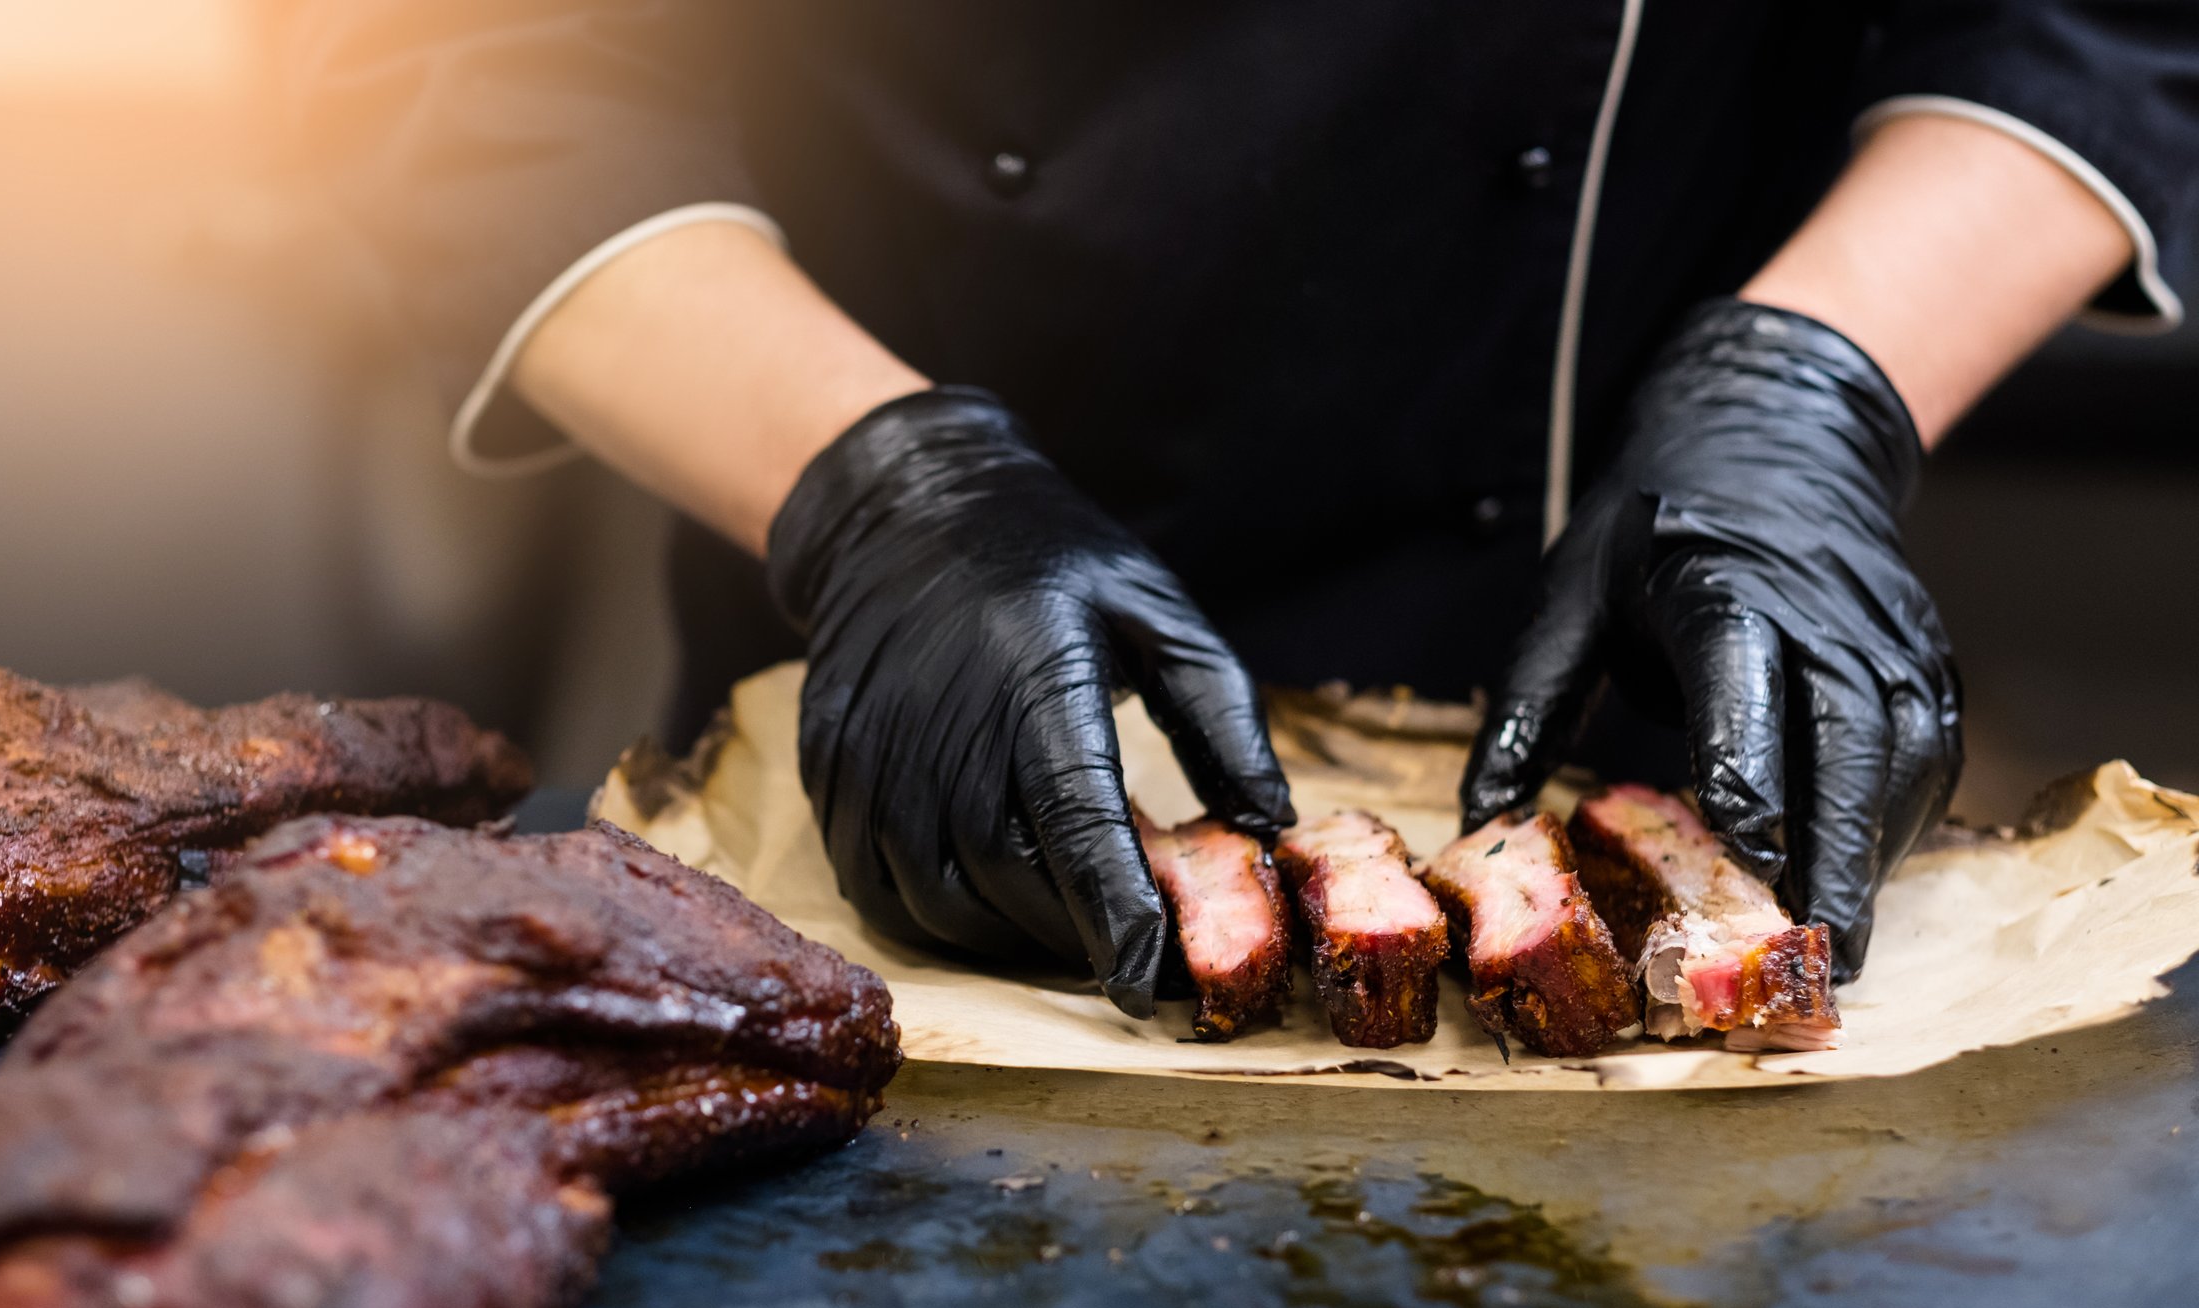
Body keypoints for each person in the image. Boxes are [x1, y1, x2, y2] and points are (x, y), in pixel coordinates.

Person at [288, 3, 2197, 1017]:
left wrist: (1807, 389)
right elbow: (464, 60)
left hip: (1653, 639)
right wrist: (880, 487)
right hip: (895, 718)